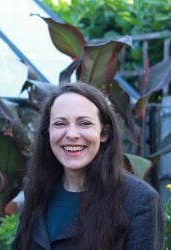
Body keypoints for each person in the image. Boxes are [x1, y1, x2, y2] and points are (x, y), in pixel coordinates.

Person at [12, 82, 164, 249]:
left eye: (84, 123)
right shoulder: (36, 190)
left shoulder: (138, 200)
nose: (71, 134)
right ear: (47, 132)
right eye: (60, 123)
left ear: (104, 133)